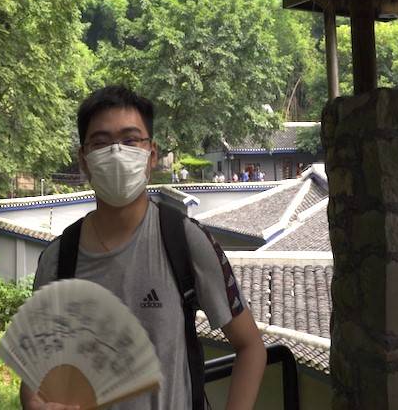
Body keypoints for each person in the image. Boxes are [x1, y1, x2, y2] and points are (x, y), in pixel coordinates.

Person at [21, 86, 266, 410]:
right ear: (84, 159)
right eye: (101, 142)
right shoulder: (58, 260)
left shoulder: (185, 241)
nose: (117, 153)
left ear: (151, 155)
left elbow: (250, 347)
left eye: (130, 140)